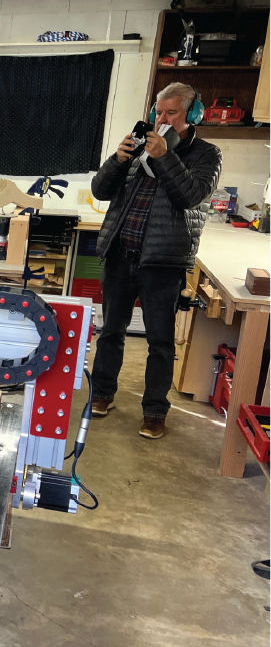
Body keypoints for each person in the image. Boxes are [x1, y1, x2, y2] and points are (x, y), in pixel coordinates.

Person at [88, 82, 222, 439]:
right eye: (158, 112)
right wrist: (117, 161)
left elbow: (190, 196)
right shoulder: (139, 146)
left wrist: (165, 157)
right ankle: (101, 394)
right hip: (121, 255)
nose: (161, 119)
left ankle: (154, 412)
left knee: (160, 343)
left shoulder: (207, 155)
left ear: (191, 115)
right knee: (110, 333)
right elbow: (100, 191)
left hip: (163, 263)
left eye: (171, 113)